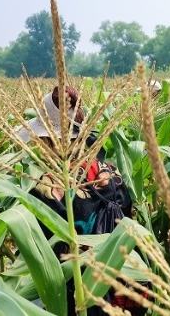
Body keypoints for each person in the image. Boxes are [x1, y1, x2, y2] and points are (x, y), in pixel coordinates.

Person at [18, 86, 145, 316]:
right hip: (125, 285)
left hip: (81, 295)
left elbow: (45, 257)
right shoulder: (111, 172)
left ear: (50, 139)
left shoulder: (46, 188)